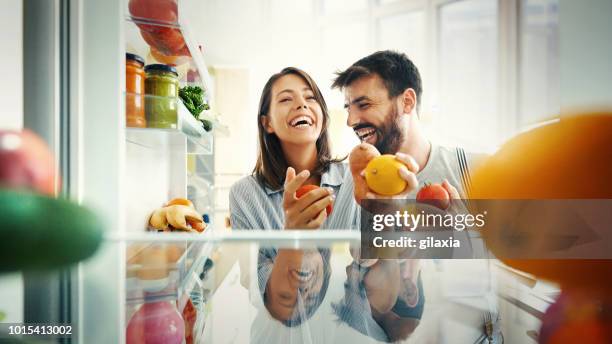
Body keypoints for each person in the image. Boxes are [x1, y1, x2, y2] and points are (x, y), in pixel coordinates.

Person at [332, 50, 501, 342]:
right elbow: (358, 283)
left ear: (407, 101)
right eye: (348, 107)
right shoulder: (350, 184)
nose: (350, 120)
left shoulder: (475, 171)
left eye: (363, 104)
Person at [229, 67, 359, 328]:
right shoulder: (245, 194)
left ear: (321, 115)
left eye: (310, 98)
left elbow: (373, 267)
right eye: (286, 99)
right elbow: (273, 300)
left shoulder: (355, 180)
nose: (301, 103)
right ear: (267, 122)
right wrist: (293, 235)